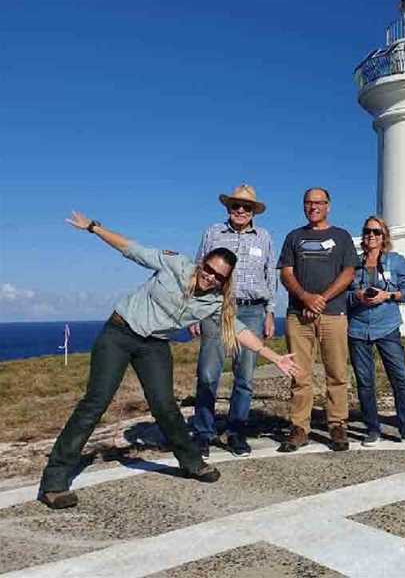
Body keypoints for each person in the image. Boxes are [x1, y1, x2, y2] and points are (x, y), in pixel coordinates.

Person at [38, 212, 297, 510]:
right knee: (95, 402)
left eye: (218, 276)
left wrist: (274, 356)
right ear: (203, 263)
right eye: (209, 269)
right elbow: (131, 249)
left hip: (154, 345)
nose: (210, 277)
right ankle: (54, 482)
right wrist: (94, 228)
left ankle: (191, 463)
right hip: (119, 333)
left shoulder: (215, 301)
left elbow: (237, 330)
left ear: (225, 281)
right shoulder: (175, 263)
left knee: (165, 406)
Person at [190, 185, 277, 458]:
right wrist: (193, 310)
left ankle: (236, 432)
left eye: (246, 207)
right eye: (235, 206)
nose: (240, 210)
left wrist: (270, 312)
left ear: (254, 212)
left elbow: (270, 276)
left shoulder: (264, 237)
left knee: (245, 377)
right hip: (216, 308)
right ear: (228, 208)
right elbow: (198, 270)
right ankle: (203, 433)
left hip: (253, 311)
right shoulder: (212, 233)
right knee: (207, 374)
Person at [277, 187, 360, 452]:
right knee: (300, 374)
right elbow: (286, 273)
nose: (313, 207)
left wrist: (320, 298)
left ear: (328, 206)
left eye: (319, 202)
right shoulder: (294, 237)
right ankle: (300, 427)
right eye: (308, 203)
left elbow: (348, 273)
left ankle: (337, 424)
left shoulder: (342, 236)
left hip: (333, 314)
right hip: (298, 316)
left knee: (336, 372)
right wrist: (305, 298)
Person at [347, 216, 405, 445]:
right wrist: (357, 296)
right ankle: (372, 429)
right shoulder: (353, 264)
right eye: (367, 231)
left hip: (387, 327)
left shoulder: (397, 261)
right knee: (365, 381)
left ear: (384, 237)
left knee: (400, 378)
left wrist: (387, 295)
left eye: (376, 231)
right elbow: (343, 296)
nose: (371, 235)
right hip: (358, 329)